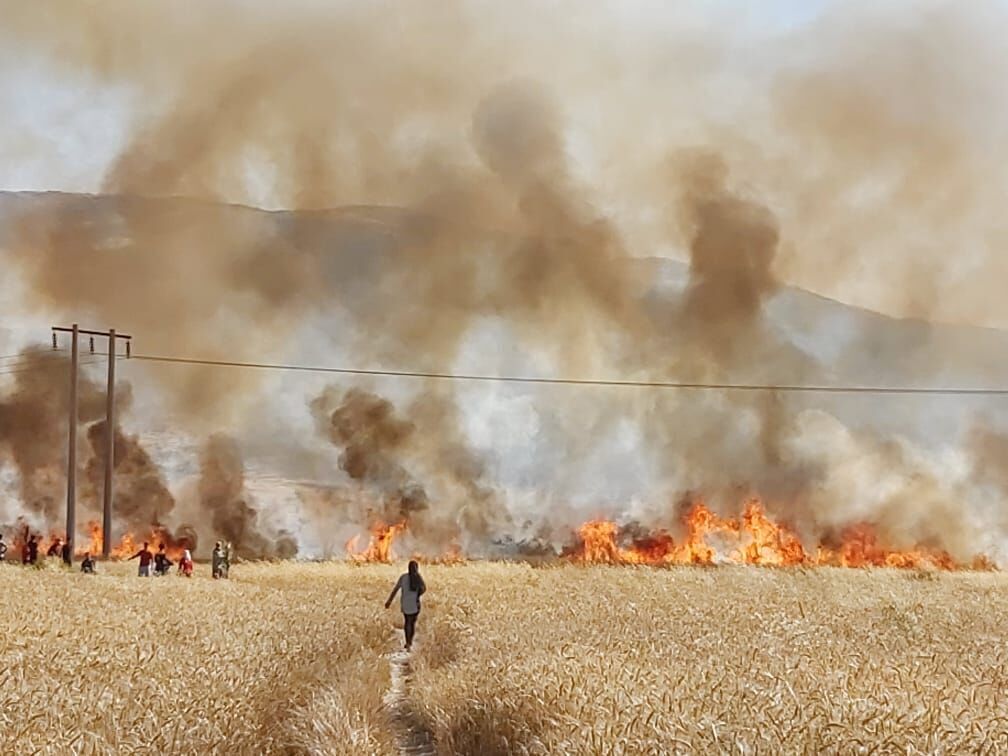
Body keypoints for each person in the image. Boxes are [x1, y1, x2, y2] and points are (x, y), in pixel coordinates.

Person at [385, 560, 426, 651]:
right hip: (415, 604)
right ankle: (410, 641)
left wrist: (389, 601)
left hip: (405, 604)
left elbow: (395, 589)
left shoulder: (403, 577)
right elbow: (424, 589)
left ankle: (407, 642)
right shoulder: (418, 578)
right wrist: (418, 594)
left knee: (407, 622)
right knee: (412, 623)